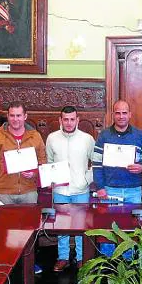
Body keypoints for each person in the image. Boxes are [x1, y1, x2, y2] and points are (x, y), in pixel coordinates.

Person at [92, 100, 142, 256]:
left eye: (124, 113)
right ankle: (108, 261)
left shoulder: (140, 135)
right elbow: (96, 163)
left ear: (130, 114)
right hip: (110, 190)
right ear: (113, 114)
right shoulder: (103, 136)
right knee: (108, 228)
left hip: (133, 191)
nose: (121, 116)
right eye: (117, 113)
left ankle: (129, 260)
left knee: (132, 228)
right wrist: (100, 187)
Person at [45, 106, 95, 271]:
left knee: (81, 226)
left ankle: (81, 258)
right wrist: (52, 180)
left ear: (77, 120)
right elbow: (49, 162)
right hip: (60, 191)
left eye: (72, 119)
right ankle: (63, 257)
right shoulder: (52, 138)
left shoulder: (87, 139)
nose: (68, 122)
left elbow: (95, 162)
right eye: (65, 119)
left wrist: (86, 180)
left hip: (81, 190)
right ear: (60, 120)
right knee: (62, 225)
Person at [0, 103, 46, 205]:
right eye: (12, 115)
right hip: (4, 193)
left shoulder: (35, 136)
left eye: (18, 115)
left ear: (25, 116)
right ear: (7, 116)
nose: (15, 119)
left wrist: (34, 173)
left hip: (29, 192)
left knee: (30, 221)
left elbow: (42, 161)